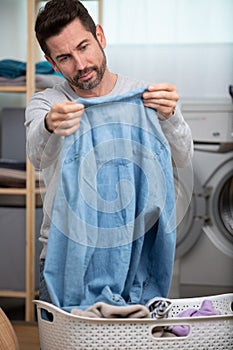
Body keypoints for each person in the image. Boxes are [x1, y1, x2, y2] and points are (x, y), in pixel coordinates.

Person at [25, 0, 193, 305]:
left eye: (84, 47)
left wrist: (171, 117)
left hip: (136, 253)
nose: (80, 65)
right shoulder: (47, 104)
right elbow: (37, 156)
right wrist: (51, 124)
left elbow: (183, 158)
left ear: (100, 36)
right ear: (52, 63)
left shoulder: (148, 97)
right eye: (65, 58)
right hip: (66, 254)